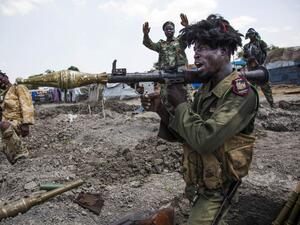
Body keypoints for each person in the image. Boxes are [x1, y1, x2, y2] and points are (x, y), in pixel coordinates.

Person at [141, 14, 259, 225]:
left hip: (218, 189)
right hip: (199, 182)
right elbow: (186, 134)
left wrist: (181, 104)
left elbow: (205, 139)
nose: (195, 56)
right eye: (195, 50)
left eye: (203, 49)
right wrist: (161, 110)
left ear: (223, 51)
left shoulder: (240, 93)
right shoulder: (206, 90)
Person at [0, 70, 34, 164]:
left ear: (5, 76)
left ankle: (22, 154)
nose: (0, 81)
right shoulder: (3, 94)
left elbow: (27, 105)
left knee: (4, 125)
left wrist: (26, 123)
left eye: (1, 78)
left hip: (17, 121)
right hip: (5, 122)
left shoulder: (18, 87)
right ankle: (13, 159)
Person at [243, 28, 275, 107]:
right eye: (249, 35)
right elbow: (244, 57)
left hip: (260, 67)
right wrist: (249, 58)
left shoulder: (261, 43)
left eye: (252, 35)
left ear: (255, 34)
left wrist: (261, 64)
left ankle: (271, 104)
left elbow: (266, 54)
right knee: (252, 88)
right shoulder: (246, 46)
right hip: (251, 69)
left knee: (265, 86)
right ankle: (255, 105)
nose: (251, 37)